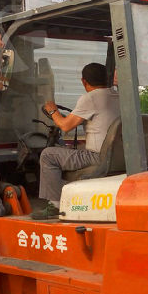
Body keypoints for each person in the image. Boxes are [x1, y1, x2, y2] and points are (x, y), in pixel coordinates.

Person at [38, 62, 120, 205]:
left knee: (48, 155)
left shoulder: (91, 98)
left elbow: (65, 126)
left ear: (84, 81)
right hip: (117, 155)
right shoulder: (118, 96)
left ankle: (55, 204)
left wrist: (52, 110)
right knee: (72, 148)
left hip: (97, 157)